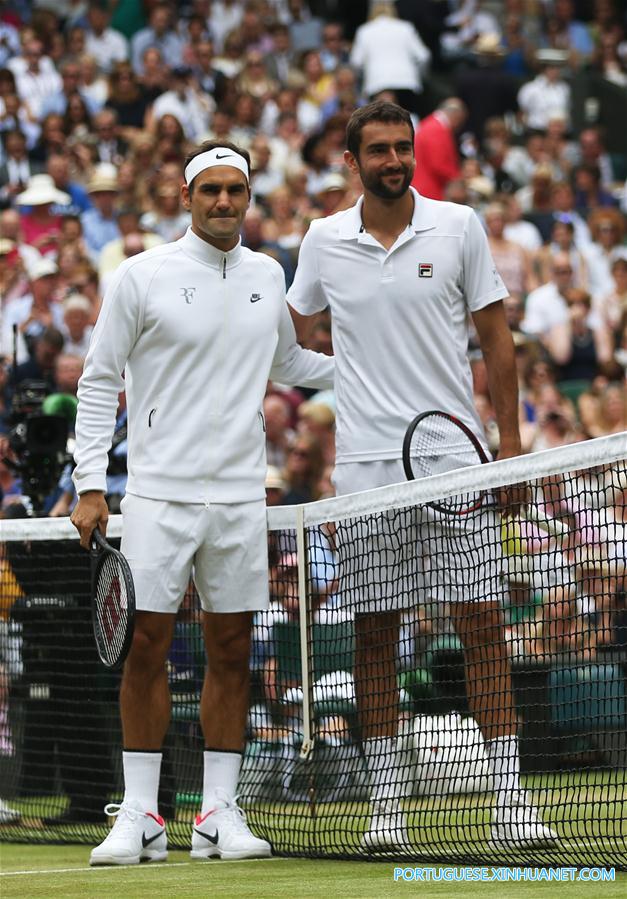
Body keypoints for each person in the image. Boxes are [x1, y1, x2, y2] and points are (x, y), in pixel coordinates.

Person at [287, 101, 557, 851]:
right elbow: (287, 334)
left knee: (480, 625)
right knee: (375, 636)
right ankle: (387, 812)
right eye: (377, 150)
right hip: (366, 469)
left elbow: (496, 343)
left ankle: (509, 800)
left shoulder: (459, 225)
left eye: (402, 148)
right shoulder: (321, 241)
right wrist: (345, 373)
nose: (393, 160)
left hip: (455, 463)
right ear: (351, 161)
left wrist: (507, 447)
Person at [70, 139, 334, 866]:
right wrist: (89, 482)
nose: (224, 202)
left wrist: (373, 361)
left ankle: (218, 813)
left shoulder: (264, 273)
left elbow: (287, 361)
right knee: (146, 647)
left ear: (247, 198)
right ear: (186, 197)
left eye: (235, 191)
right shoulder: (140, 277)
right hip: (158, 492)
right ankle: (141, 814)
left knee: (230, 648)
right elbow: (98, 379)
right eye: (210, 190)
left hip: (240, 493)